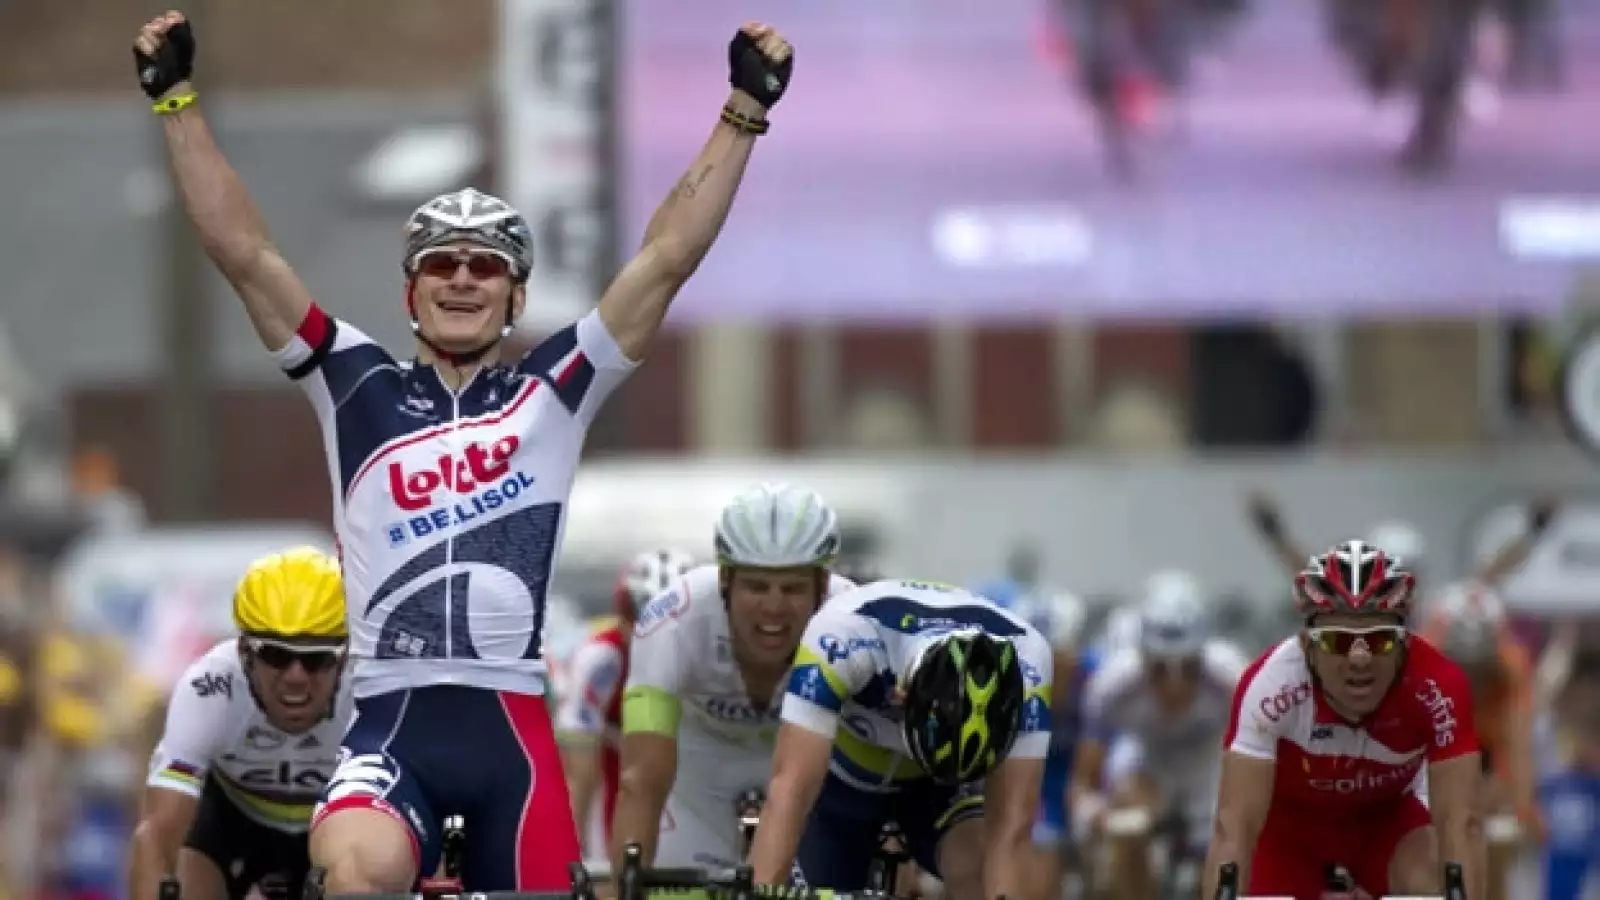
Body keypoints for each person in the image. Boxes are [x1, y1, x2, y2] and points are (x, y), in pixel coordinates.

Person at [131, 7, 793, 892]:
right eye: (441, 265)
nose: (463, 279)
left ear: (515, 298)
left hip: (511, 732)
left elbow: (666, 258)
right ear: (411, 292)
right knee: (354, 874)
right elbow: (245, 253)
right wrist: (176, 100)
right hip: (387, 724)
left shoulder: (552, 391)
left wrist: (742, 111)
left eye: (487, 267)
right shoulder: (353, 382)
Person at [1201, 541, 1485, 900]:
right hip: (1290, 839)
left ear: (1404, 644)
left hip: (1389, 828)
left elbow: (1461, 825)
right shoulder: (1270, 684)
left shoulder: (1439, 686)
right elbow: (1234, 829)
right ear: (1306, 646)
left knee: (1432, 875)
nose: (1359, 658)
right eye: (1337, 641)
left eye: (1380, 641)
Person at [746, 579, 1054, 900]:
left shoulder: (1028, 661)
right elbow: (790, 792)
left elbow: (1011, 829)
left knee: (976, 864)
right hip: (843, 784)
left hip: (937, 792)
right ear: (902, 696)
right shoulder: (844, 632)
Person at [611, 485, 853, 873]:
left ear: (822, 588)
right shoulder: (671, 620)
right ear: (725, 580)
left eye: (792, 588)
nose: (773, 607)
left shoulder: (851, 620)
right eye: (756, 586)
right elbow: (641, 781)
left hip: (809, 777)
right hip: (699, 776)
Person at [128, 548, 351, 900]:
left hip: (336, 825)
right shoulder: (210, 688)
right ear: (245, 654)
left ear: (346, 656)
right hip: (231, 824)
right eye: (276, 655)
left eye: (317, 659)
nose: (295, 677)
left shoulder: (370, 686)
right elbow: (156, 836)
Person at [1069, 571, 1246, 900]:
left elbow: (1259, 761)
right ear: (1142, 656)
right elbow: (1083, 782)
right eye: (1160, 669)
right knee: (1127, 824)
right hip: (1145, 765)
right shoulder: (1112, 686)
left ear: (1203, 655)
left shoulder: (1230, 677)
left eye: (1188, 668)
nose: (1173, 685)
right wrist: (1093, 816)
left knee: (1218, 873)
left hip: (1207, 769)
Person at [555, 549, 695, 858]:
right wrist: (572, 861)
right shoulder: (600, 659)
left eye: (673, 623)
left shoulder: (707, 655)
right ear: (622, 616)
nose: (656, 635)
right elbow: (579, 777)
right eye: (642, 619)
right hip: (613, 762)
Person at [1418, 581, 1539, 900]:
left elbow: (1516, 749)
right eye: (1462, 666)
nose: (1472, 680)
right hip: (1434, 757)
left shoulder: (1510, 671)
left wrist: (1521, 809)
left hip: (1484, 749)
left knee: (1499, 836)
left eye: (1480, 669)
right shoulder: (1418, 667)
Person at [1014, 592, 1097, 900]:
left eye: (1055, 661)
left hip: (1078, 773)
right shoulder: (1009, 679)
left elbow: (1112, 754)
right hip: (1033, 776)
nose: (1045, 674)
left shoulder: (1097, 680)